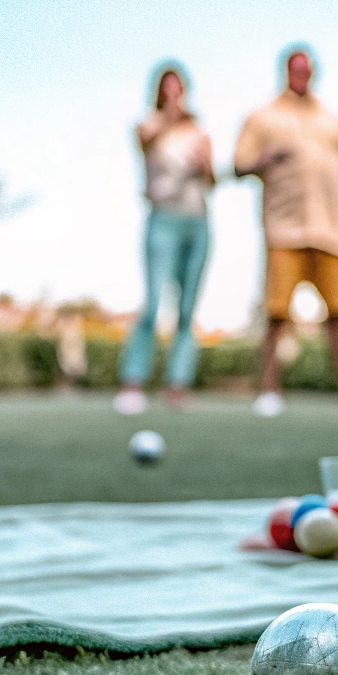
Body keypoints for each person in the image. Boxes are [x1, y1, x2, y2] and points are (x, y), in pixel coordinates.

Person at [233, 46, 338, 418]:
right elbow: (238, 165)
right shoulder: (263, 117)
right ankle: (269, 391)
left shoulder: (334, 122)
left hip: (330, 232)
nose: (300, 75)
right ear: (285, 72)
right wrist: (268, 159)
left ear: (313, 73)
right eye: (294, 69)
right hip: (283, 230)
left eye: (306, 69)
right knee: (276, 315)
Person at [114, 63, 215, 415]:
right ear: (159, 91)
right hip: (162, 219)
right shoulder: (149, 124)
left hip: (197, 221)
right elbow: (145, 143)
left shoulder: (199, 132)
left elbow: (212, 179)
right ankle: (133, 381)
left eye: (179, 88)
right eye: (167, 88)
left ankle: (177, 383)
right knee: (154, 302)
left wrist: (205, 164)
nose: (174, 94)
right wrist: (170, 117)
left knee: (187, 310)